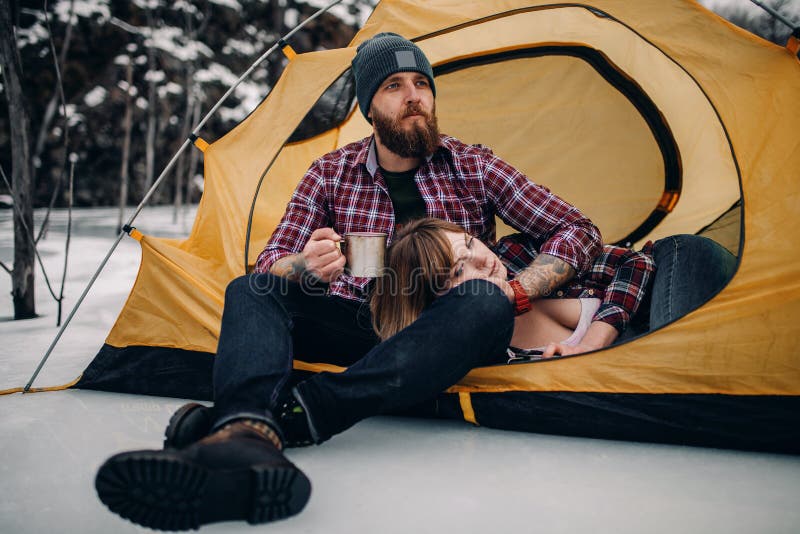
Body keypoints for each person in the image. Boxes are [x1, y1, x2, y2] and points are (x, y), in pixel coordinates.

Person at [95, 32, 608, 531]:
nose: (414, 98)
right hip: (365, 326)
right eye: (394, 86)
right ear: (369, 106)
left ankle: (300, 416)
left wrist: (517, 290)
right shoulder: (331, 173)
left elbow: (577, 229)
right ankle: (246, 430)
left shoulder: (472, 164)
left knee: (481, 299)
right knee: (251, 290)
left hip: (453, 331)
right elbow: (270, 261)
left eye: (421, 84)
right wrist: (304, 265)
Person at [370, 218, 655, 359]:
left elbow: (635, 261)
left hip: (670, 274)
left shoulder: (519, 256)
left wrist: (592, 344)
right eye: (459, 269)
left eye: (470, 242)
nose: (483, 258)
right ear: (435, 305)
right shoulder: (489, 360)